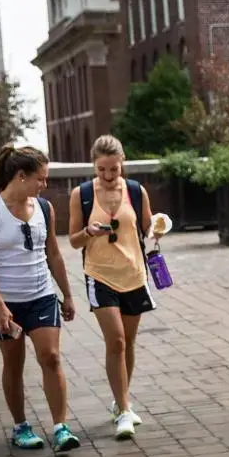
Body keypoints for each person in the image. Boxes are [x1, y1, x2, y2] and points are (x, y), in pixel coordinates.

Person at [0, 144, 82, 454]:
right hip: (6, 302)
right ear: (21, 176)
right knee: (14, 363)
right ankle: (20, 426)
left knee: (52, 357)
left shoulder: (44, 208)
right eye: (41, 179)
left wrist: (67, 295)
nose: (44, 185)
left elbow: (54, 255)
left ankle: (60, 427)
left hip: (42, 295)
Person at [68, 134, 165, 440]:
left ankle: (120, 399)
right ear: (94, 166)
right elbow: (72, 241)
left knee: (129, 343)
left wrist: (159, 228)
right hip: (99, 275)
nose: (109, 177)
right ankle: (124, 411)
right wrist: (89, 231)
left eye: (113, 169)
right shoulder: (81, 194)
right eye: (101, 170)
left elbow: (148, 227)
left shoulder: (136, 191)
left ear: (122, 163)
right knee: (118, 342)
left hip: (134, 274)